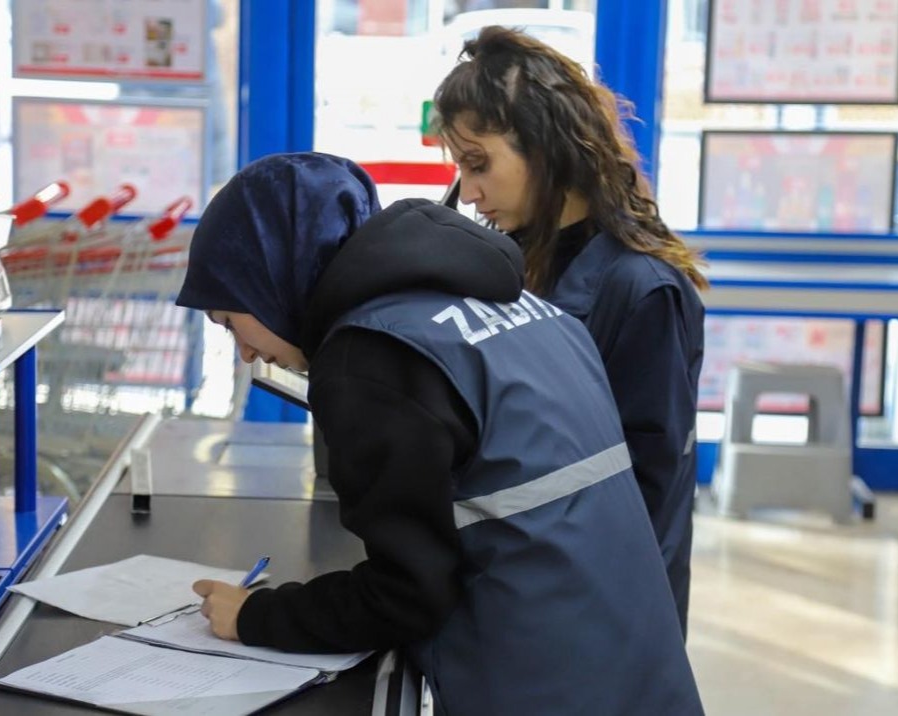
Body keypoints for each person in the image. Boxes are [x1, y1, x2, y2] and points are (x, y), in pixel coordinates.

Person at [179, 153, 702, 715]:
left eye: (232, 321)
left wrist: (255, 617)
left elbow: (407, 593)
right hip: (637, 661)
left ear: (270, 273)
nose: (247, 352)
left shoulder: (369, 356)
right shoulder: (510, 302)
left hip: (540, 682)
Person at [433, 26, 708, 636]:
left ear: (547, 147)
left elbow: (645, 503)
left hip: (595, 617)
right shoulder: (513, 261)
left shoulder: (642, 291)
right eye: (460, 167)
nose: (470, 192)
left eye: (479, 164)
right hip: (521, 593)